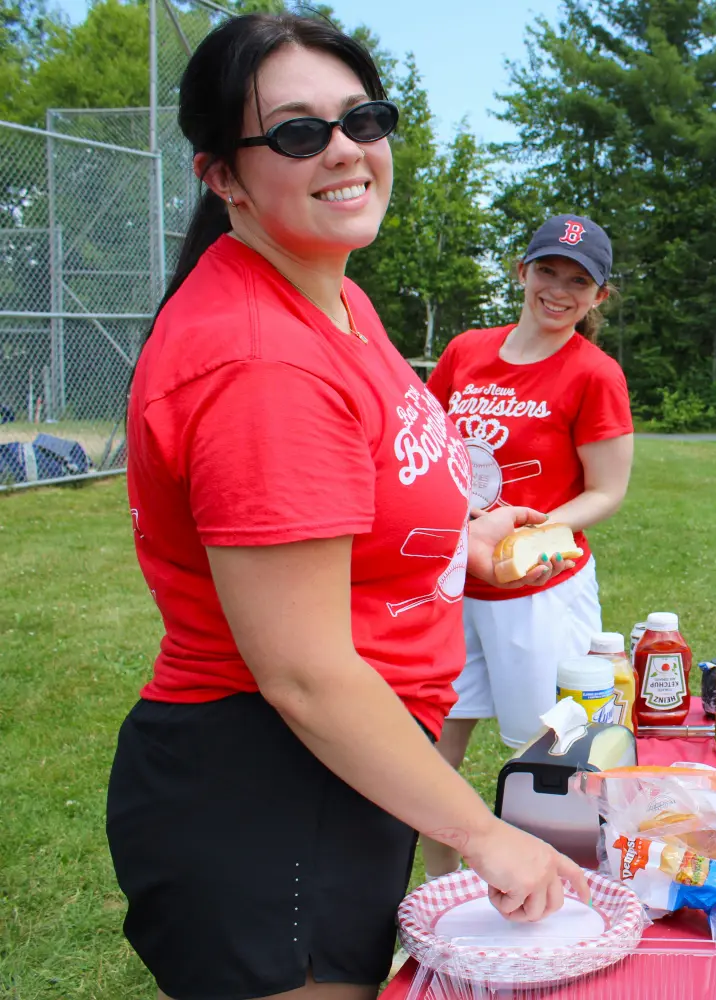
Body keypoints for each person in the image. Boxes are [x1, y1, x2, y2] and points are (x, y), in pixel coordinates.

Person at [109, 16, 587, 1000]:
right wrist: (478, 830)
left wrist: (459, 543)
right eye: (294, 132)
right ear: (222, 177)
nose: (342, 148)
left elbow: (355, 514)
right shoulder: (257, 359)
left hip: (351, 767)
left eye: (361, 117)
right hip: (268, 788)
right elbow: (307, 674)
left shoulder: (335, 298)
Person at [420, 214, 634, 879]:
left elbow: (606, 491)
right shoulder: (465, 352)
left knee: (558, 750)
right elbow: (428, 449)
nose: (558, 290)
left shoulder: (594, 374)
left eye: (579, 281)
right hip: (458, 582)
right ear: (522, 272)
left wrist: (525, 528)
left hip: (541, 592)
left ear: (599, 296)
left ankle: (563, 891)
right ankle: (438, 892)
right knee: (432, 746)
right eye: (547, 271)